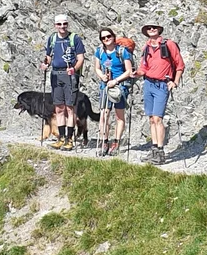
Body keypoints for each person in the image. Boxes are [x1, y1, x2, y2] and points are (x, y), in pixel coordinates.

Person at [136, 23, 184, 163]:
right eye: (149, 28)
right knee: (151, 118)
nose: (151, 30)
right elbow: (143, 68)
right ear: (146, 31)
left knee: (158, 118)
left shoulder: (168, 44)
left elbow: (179, 64)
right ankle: (155, 149)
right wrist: (136, 74)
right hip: (148, 84)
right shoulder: (146, 47)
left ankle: (160, 152)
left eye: (154, 28)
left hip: (162, 84)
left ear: (159, 30)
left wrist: (174, 82)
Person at [42, 14, 87, 149]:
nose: (62, 27)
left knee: (70, 108)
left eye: (64, 24)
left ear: (68, 24)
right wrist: (45, 64)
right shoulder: (52, 38)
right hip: (56, 74)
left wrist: (74, 69)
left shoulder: (74, 39)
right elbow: (49, 56)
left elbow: (80, 58)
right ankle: (61, 138)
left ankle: (69, 139)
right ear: (55, 25)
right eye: (59, 24)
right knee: (59, 108)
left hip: (70, 76)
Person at [92, 28, 137, 156]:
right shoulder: (100, 51)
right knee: (104, 115)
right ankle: (105, 141)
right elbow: (97, 68)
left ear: (113, 36)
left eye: (108, 36)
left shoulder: (122, 52)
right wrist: (102, 77)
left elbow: (128, 71)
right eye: (103, 38)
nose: (106, 39)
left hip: (120, 87)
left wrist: (115, 81)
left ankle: (116, 143)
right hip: (105, 86)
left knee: (119, 116)